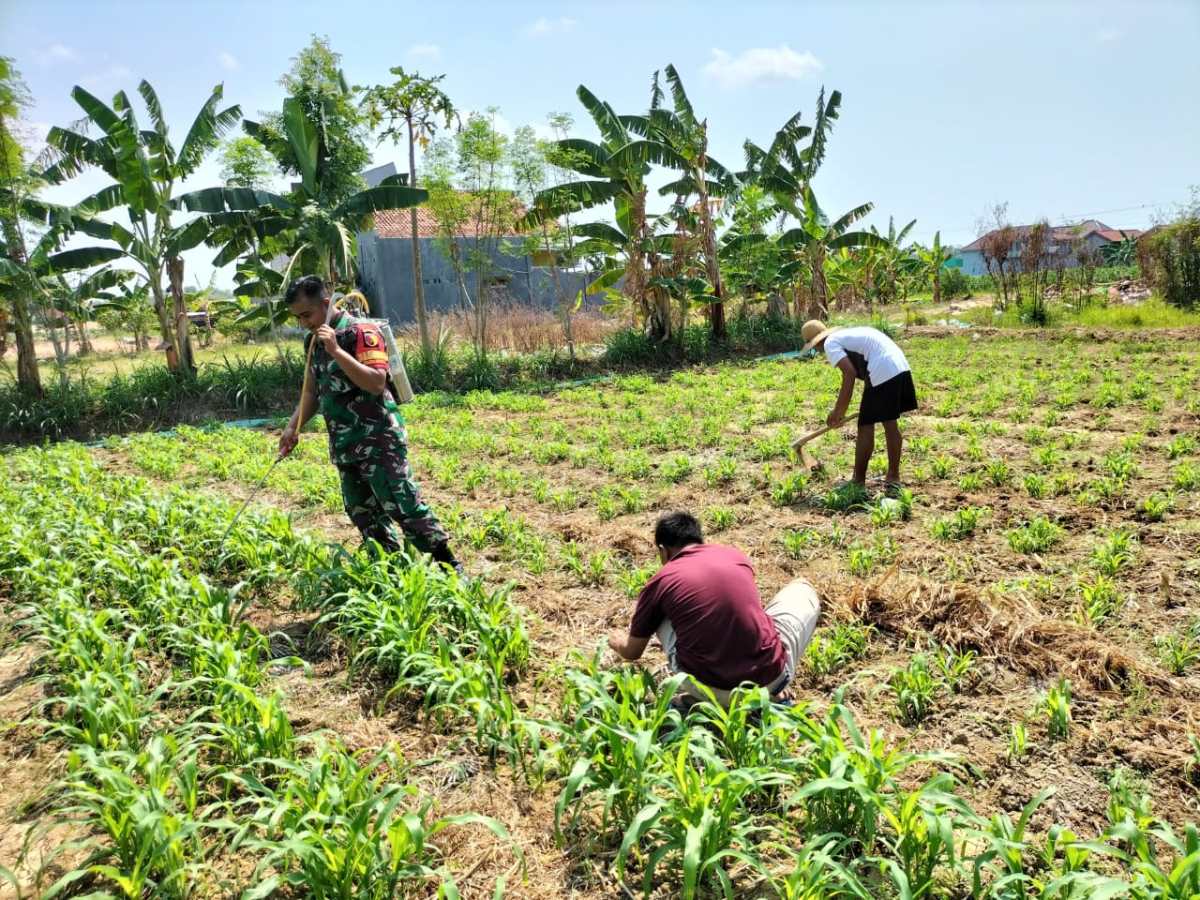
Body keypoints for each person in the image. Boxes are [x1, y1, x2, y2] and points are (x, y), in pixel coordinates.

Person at [277, 275, 461, 571]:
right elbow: (312, 391)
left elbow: (376, 383)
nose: (304, 323)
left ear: (325, 304)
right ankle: (390, 572)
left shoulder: (361, 332)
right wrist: (292, 427)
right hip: (345, 444)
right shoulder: (312, 341)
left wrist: (336, 351)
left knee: (403, 504)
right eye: (298, 317)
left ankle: (449, 565)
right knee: (363, 513)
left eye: (307, 315)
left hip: (378, 440)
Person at [608, 511, 820, 707]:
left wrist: (616, 641)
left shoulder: (662, 580)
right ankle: (772, 693)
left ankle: (702, 701)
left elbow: (633, 652)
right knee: (802, 590)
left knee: (661, 612)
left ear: (663, 551)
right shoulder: (734, 556)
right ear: (700, 541)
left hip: (711, 690)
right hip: (772, 679)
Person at [800, 319, 918, 493]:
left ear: (817, 343)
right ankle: (893, 477)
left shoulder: (831, 343)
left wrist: (838, 412)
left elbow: (849, 374)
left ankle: (858, 481)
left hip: (882, 369)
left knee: (865, 426)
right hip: (900, 367)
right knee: (890, 423)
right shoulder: (848, 335)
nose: (818, 351)